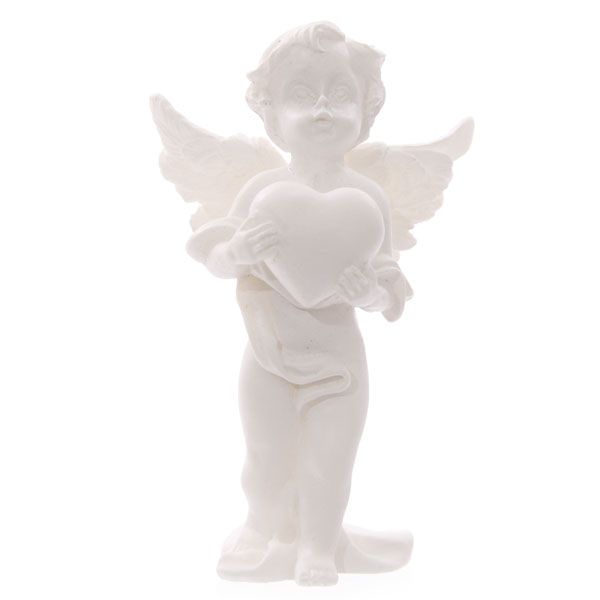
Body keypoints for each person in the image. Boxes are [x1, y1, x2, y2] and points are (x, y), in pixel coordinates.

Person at [186, 21, 411, 586]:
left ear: (367, 109)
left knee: (330, 460)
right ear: (271, 114)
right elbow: (218, 258)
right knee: (264, 457)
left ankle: (317, 546)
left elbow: (390, 285)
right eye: (302, 95)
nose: (322, 109)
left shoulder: (368, 198)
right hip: (267, 355)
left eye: (340, 94)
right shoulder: (261, 192)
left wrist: (370, 293)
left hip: (339, 363)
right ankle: (260, 528)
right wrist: (238, 251)